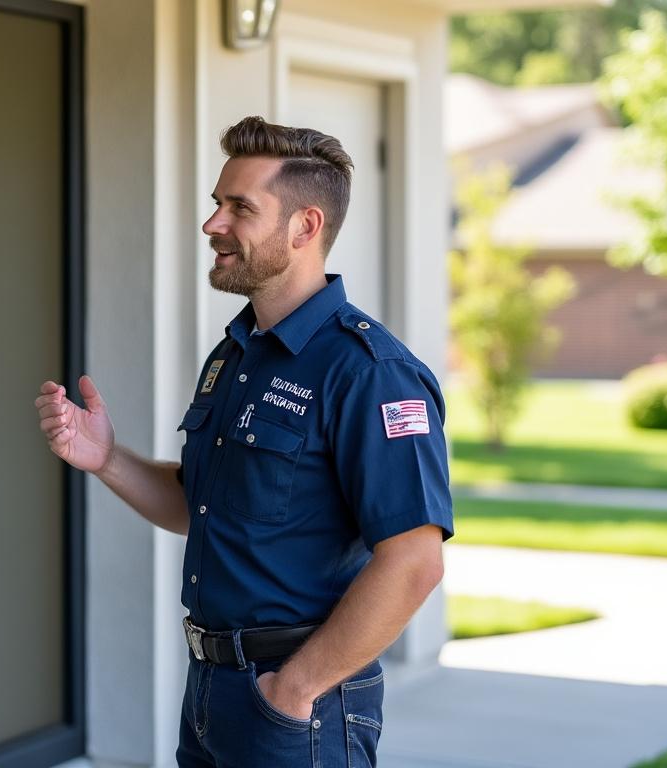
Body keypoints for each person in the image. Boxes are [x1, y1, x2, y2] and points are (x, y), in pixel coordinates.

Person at [35, 116, 452, 766]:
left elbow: (414, 562)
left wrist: (294, 690)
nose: (213, 225)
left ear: (304, 227)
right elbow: (200, 506)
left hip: (298, 703)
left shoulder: (370, 372)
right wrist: (108, 459)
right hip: (211, 690)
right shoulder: (239, 354)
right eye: (216, 204)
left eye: (239, 208)